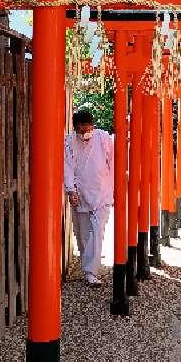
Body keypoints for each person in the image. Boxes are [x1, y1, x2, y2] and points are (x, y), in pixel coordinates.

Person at [64, 108, 114, 287]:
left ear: (93, 125)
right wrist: (70, 190)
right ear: (75, 128)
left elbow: (113, 163)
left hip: (102, 193)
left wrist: (114, 188)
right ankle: (87, 270)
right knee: (83, 234)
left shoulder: (103, 138)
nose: (85, 133)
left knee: (97, 231)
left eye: (88, 129)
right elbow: (67, 166)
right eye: (81, 130)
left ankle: (91, 271)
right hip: (81, 193)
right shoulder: (69, 142)